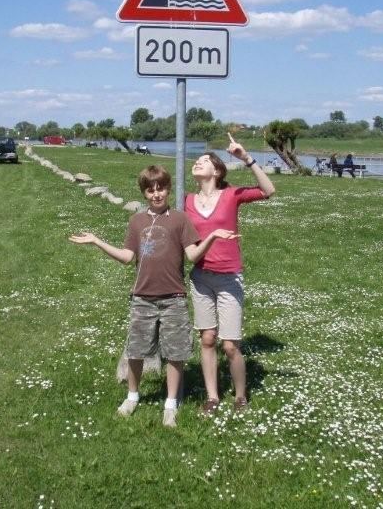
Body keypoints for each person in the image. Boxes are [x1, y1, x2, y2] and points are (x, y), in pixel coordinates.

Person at [69, 165, 236, 427]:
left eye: (161, 188)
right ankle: (132, 396)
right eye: (150, 190)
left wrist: (212, 236)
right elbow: (127, 258)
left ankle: (170, 404)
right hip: (142, 298)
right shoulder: (136, 221)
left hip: (174, 299)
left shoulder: (180, 219)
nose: (156, 194)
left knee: (176, 352)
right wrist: (97, 242)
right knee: (136, 350)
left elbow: (192, 255)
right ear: (144, 193)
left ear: (168, 189)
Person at [185, 133, 276, 414]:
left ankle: (240, 396)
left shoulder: (231, 194)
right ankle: (212, 397)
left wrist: (247, 159)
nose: (197, 164)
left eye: (204, 161)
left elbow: (268, 190)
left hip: (228, 277)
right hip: (200, 278)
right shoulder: (187, 200)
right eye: (196, 161)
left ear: (217, 170)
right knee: (207, 338)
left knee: (231, 345)